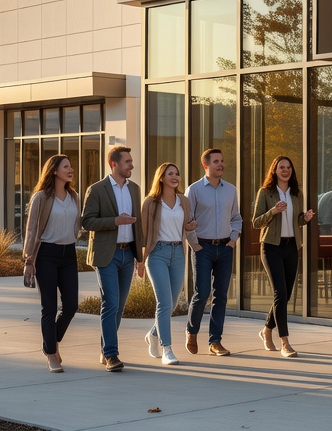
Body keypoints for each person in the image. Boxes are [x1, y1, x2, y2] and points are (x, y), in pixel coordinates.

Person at [81, 144, 144, 372]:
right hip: (107, 254)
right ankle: (111, 354)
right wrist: (115, 221)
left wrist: (140, 257)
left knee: (119, 307)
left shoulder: (134, 189)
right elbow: (87, 221)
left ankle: (105, 348)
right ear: (113, 164)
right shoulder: (97, 189)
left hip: (128, 253)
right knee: (111, 303)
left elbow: (138, 224)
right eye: (128, 162)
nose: (132, 165)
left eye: (131, 161)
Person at [251, 155, 315, 357]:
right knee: (280, 292)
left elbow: (297, 221)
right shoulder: (266, 192)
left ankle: (266, 330)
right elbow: (256, 222)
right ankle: (285, 342)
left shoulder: (297, 194)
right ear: (275, 170)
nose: (285, 170)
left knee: (285, 294)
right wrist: (273, 211)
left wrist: (305, 218)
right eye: (281, 167)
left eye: (288, 167)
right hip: (271, 247)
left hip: (291, 246)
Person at [22, 154, 80, 373]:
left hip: (69, 253)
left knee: (71, 305)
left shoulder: (74, 196)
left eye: (70, 166)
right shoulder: (41, 197)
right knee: (49, 306)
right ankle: (51, 354)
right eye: (66, 166)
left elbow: (77, 224)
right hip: (46, 253)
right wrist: (29, 260)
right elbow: (31, 230)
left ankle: (51, 341)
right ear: (54, 171)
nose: (70, 169)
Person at [184, 148, 240, 357]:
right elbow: (187, 220)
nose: (221, 164)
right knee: (202, 293)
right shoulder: (194, 190)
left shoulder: (231, 190)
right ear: (205, 164)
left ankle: (215, 341)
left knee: (221, 295)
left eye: (222, 161)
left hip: (225, 247)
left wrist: (233, 239)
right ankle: (192, 331)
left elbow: (236, 217)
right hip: (203, 248)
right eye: (216, 161)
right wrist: (194, 244)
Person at [138, 163, 196, 365]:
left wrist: (190, 228)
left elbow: (186, 226)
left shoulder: (183, 201)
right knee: (164, 302)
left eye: (177, 174)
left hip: (178, 252)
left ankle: (153, 334)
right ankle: (167, 349)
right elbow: (143, 233)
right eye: (170, 173)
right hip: (157, 253)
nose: (175, 177)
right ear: (161, 177)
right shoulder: (150, 203)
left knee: (172, 303)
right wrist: (140, 260)